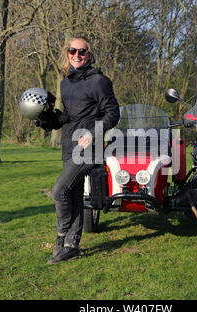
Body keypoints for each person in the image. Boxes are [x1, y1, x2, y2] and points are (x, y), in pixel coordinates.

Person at [43, 36, 120, 264]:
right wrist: (46, 118)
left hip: (89, 148)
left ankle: (60, 238)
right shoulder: (65, 83)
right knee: (74, 195)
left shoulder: (99, 81)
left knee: (59, 190)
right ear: (67, 53)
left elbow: (113, 114)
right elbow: (68, 116)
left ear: (90, 55)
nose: (77, 55)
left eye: (82, 52)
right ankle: (71, 246)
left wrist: (94, 132)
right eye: (72, 51)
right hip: (69, 145)